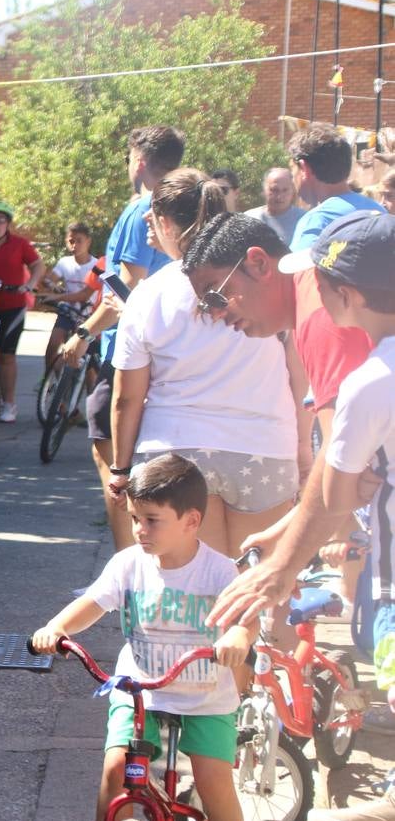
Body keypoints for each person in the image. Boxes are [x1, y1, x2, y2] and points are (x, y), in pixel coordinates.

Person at [30, 454, 253, 821]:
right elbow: (93, 602)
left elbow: (247, 618)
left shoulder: (218, 571)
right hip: (140, 691)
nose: (139, 530)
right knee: (116, 769)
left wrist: (238, 636)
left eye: (152, 521)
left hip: (206, 698)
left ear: (191, 521)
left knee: (214, 781)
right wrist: (56, 628)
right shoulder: (128, 564)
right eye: (135, 519)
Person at [264, 214, 395, 821]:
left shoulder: (372, 382)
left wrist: (279, 564)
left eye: (321, 280)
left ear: (350, 294)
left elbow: (333, 499)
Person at [182, 213, 377, 613]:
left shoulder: (321, 315)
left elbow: (342, 457)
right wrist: (284, 530)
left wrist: (282, 566)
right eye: (205, 305)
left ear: (259, 263)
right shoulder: (312, 298)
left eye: (217, 295)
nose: (216, 313)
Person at [110, 172, 300, 559]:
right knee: (265, 587)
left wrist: (120, 467)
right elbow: (300, 377)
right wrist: (304, 448)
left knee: (197, 591)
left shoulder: (148, 295)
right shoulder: (263, 286)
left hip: (175, 451)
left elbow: (126, 399)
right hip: (264, 446)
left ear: (165, 223)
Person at [62, 125, 185, 553]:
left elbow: (125, 290)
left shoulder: (141, 210)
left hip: (130, 351)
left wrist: (82, 331)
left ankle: (127, 569)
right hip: (174, 349)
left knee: (115, 461)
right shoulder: (190, 200)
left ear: (140, 160)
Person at [0, 200, 45, 423]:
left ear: (8, 223)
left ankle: (9, 403)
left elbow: (37, 265)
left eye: (1, 220)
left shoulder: (20, 244)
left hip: (13, 305)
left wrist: (30, 284)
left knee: (6, 355)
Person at [287, 123, 382, 251]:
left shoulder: (317, 221)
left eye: (292, 170)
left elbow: (298, 271)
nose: (292, 180)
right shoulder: (380, 212)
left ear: (304, 169)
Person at [40, 222, 97, 370]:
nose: (75, 245)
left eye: (79, 241)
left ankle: (90, 390)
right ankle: (49, 380)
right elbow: (48, 279)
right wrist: (52, 285)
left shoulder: (96, 266)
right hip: (68, 312)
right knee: (53, 343)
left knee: (89, 359)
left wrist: (57, 297)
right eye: (71, 241)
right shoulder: (65, 263)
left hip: (88, 314)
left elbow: (84, 295)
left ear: (88, 242)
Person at [245, 167, 304, 246]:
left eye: (285, 190)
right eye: (274, 190)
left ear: (293, 191)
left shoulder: (304, 220)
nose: (279, 196)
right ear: (264, 190)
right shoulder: (248, 219)